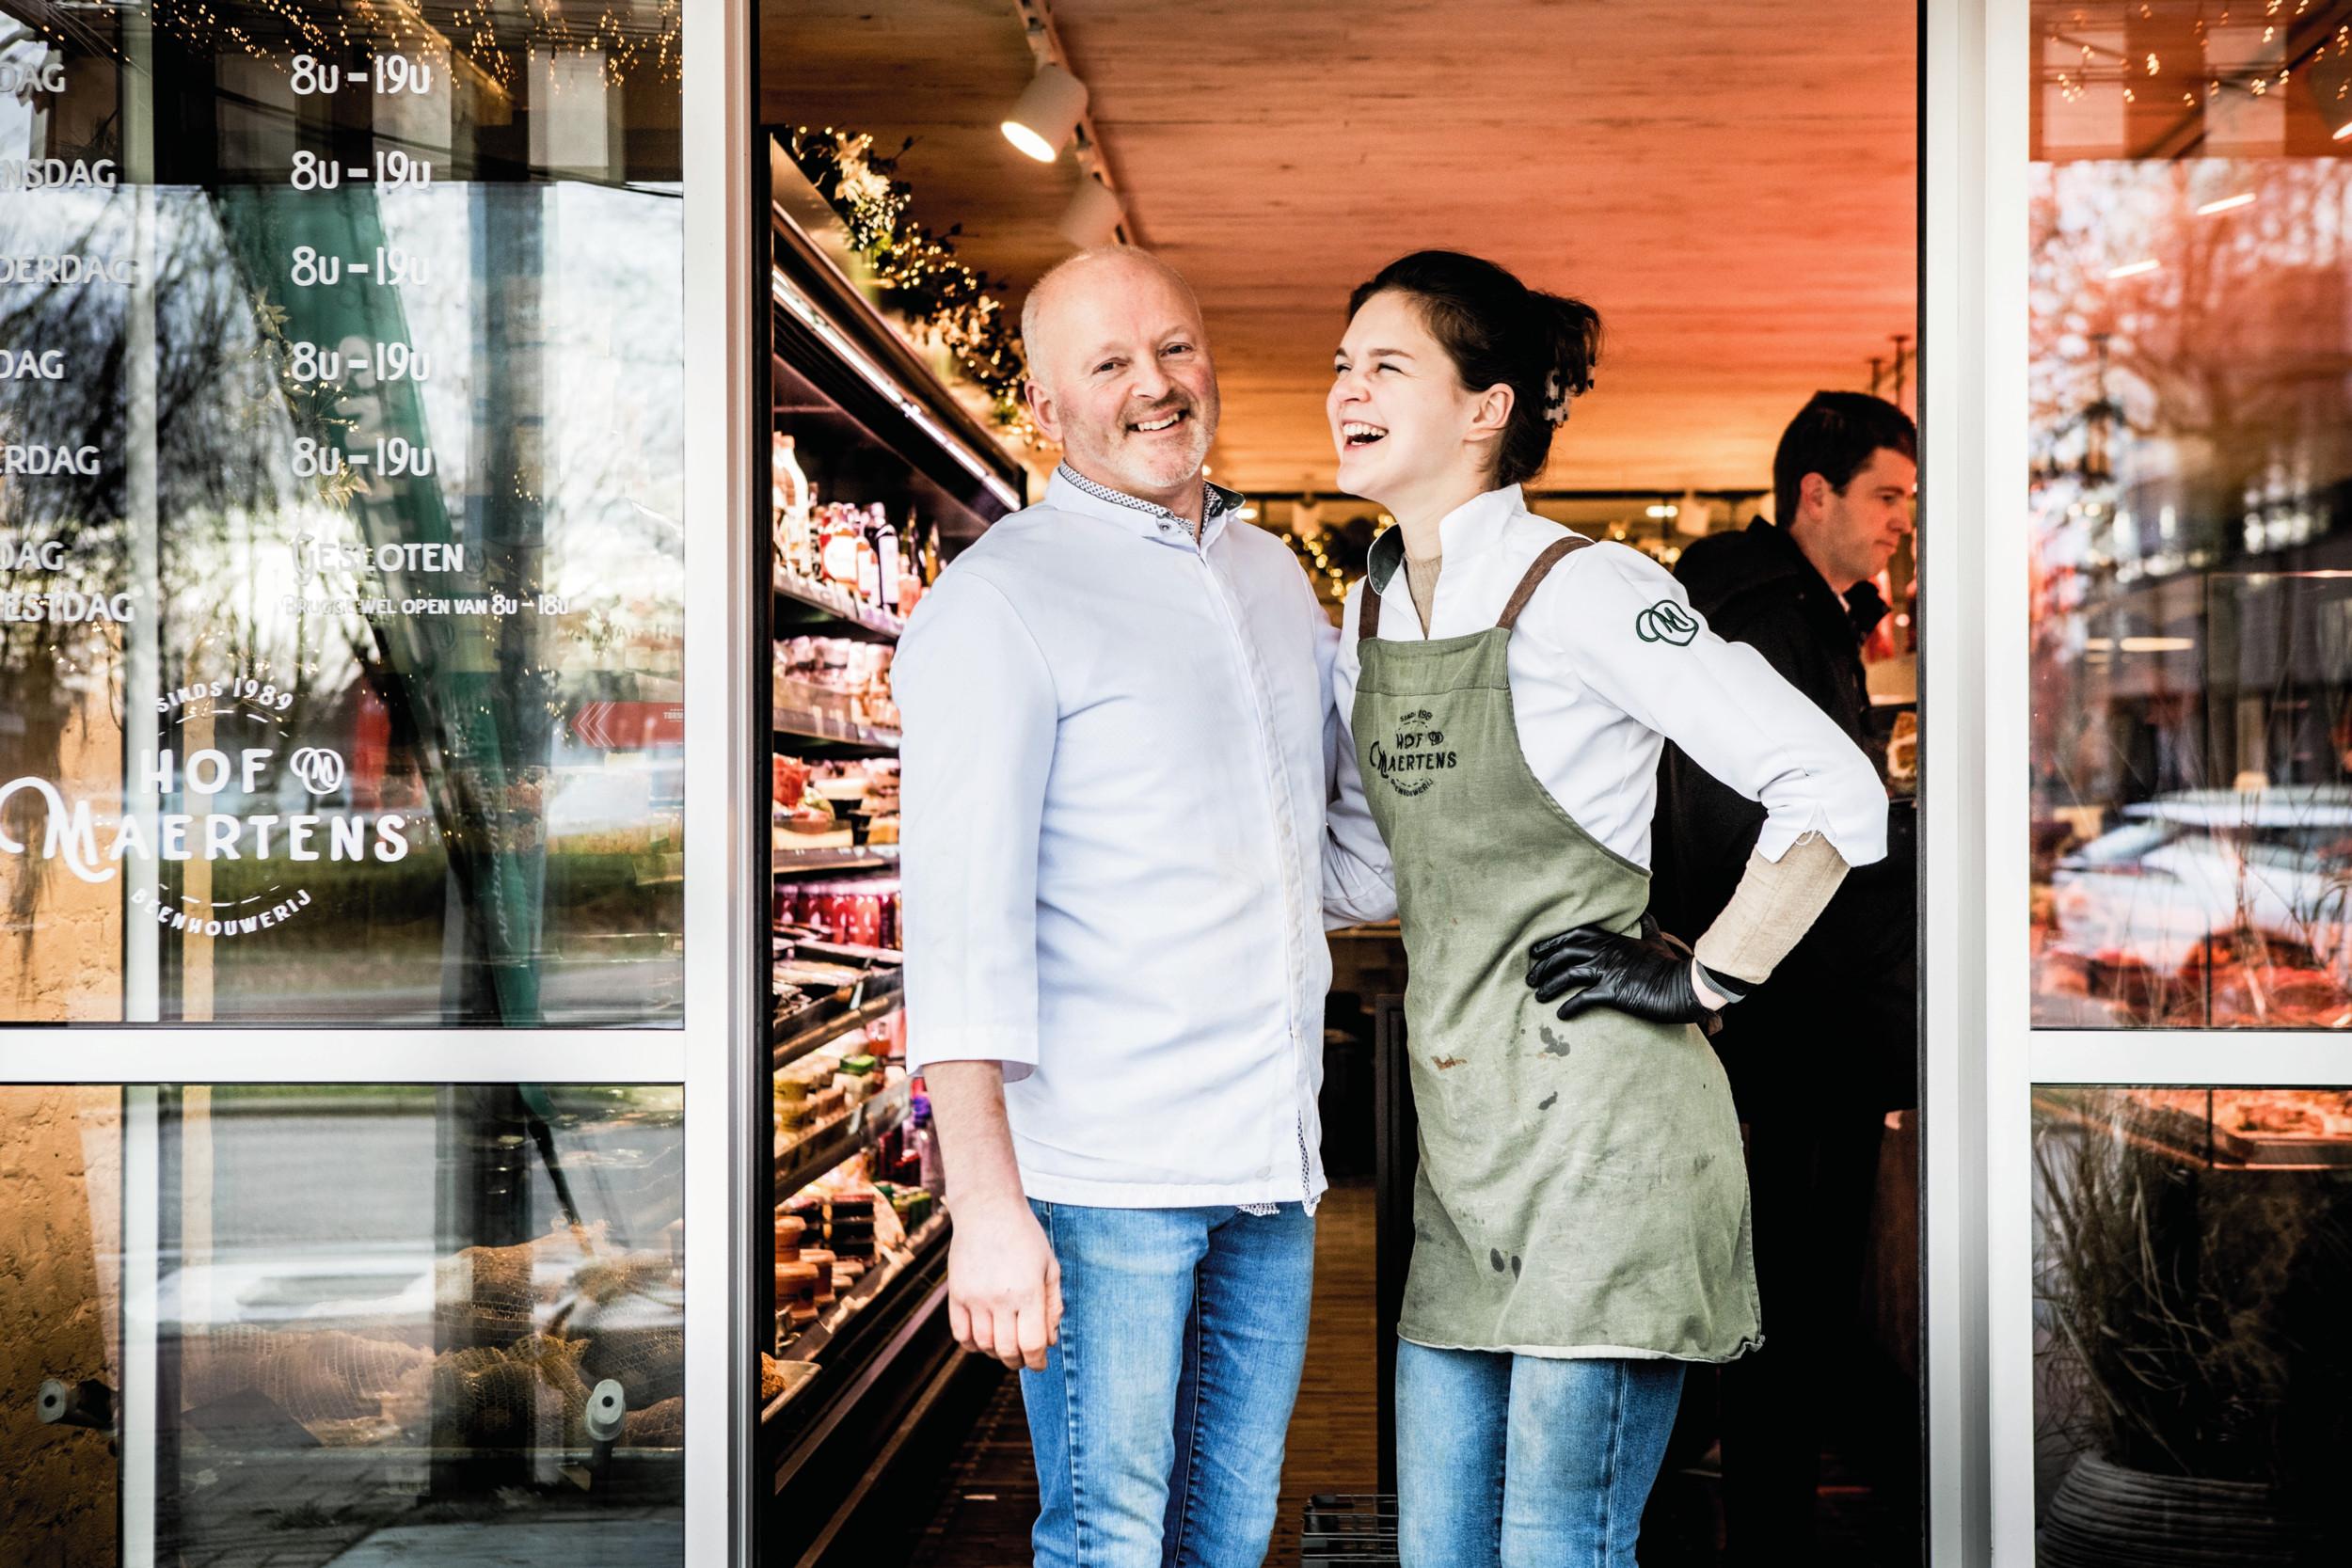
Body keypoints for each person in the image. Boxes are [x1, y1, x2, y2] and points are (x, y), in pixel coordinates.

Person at [1319, 251, 1889, 1568]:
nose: (1346, 388)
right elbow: (1374, 872)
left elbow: (1834, 790)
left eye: (1385, 363)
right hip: (1467, 1151)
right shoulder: (1371, 607)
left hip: (1607, 1142)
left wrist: (1706, 978)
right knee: (1442, 1547)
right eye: (1342, 364)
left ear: (1485, 408)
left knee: (1555, 1548)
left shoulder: (1591, 588)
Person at [895, 247, 1337, 1568]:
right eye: (1109, 363)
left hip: (1272, 1166)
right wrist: (983, 1206)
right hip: (1102, 1179)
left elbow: (1321, 838)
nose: (1155, 386)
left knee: (1226, 1536)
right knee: (1106, 1544)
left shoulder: (1270, 576)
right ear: (1045, 408)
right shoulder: (1000, 599)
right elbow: (958, 924)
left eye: (1176, 348)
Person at [1648, 390, 1919, 1560]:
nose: (1903, 521)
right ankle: (1754, 1530)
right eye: (1887, 495)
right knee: (1777, 1310)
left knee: (1765, 1305)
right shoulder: (1763, 614)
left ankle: (1727, 1515)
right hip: (1789, 1033)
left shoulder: (1793, 608)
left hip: (1787, 1027)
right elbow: (1740, 829)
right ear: (1815, 494)